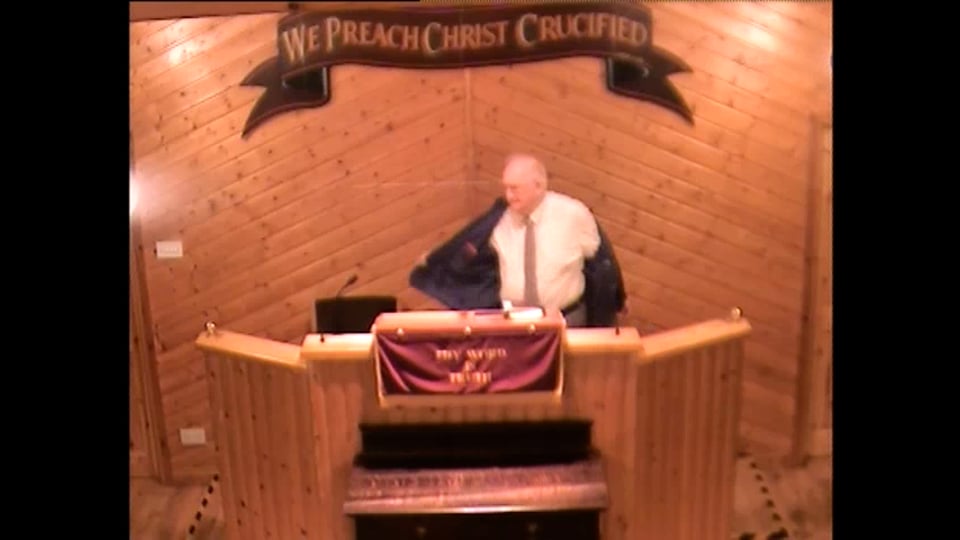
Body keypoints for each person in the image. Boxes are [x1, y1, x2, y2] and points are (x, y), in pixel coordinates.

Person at [409, 153, 626, 327]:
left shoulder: (573, 214)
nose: (509, 195)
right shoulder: (499, 219)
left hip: (566, 319)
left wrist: (617, 297)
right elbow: (467, 246)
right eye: (506, 188)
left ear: (538, 186)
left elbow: (601, 260)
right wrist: (435, 261)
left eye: (515, 188)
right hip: (513, 322)